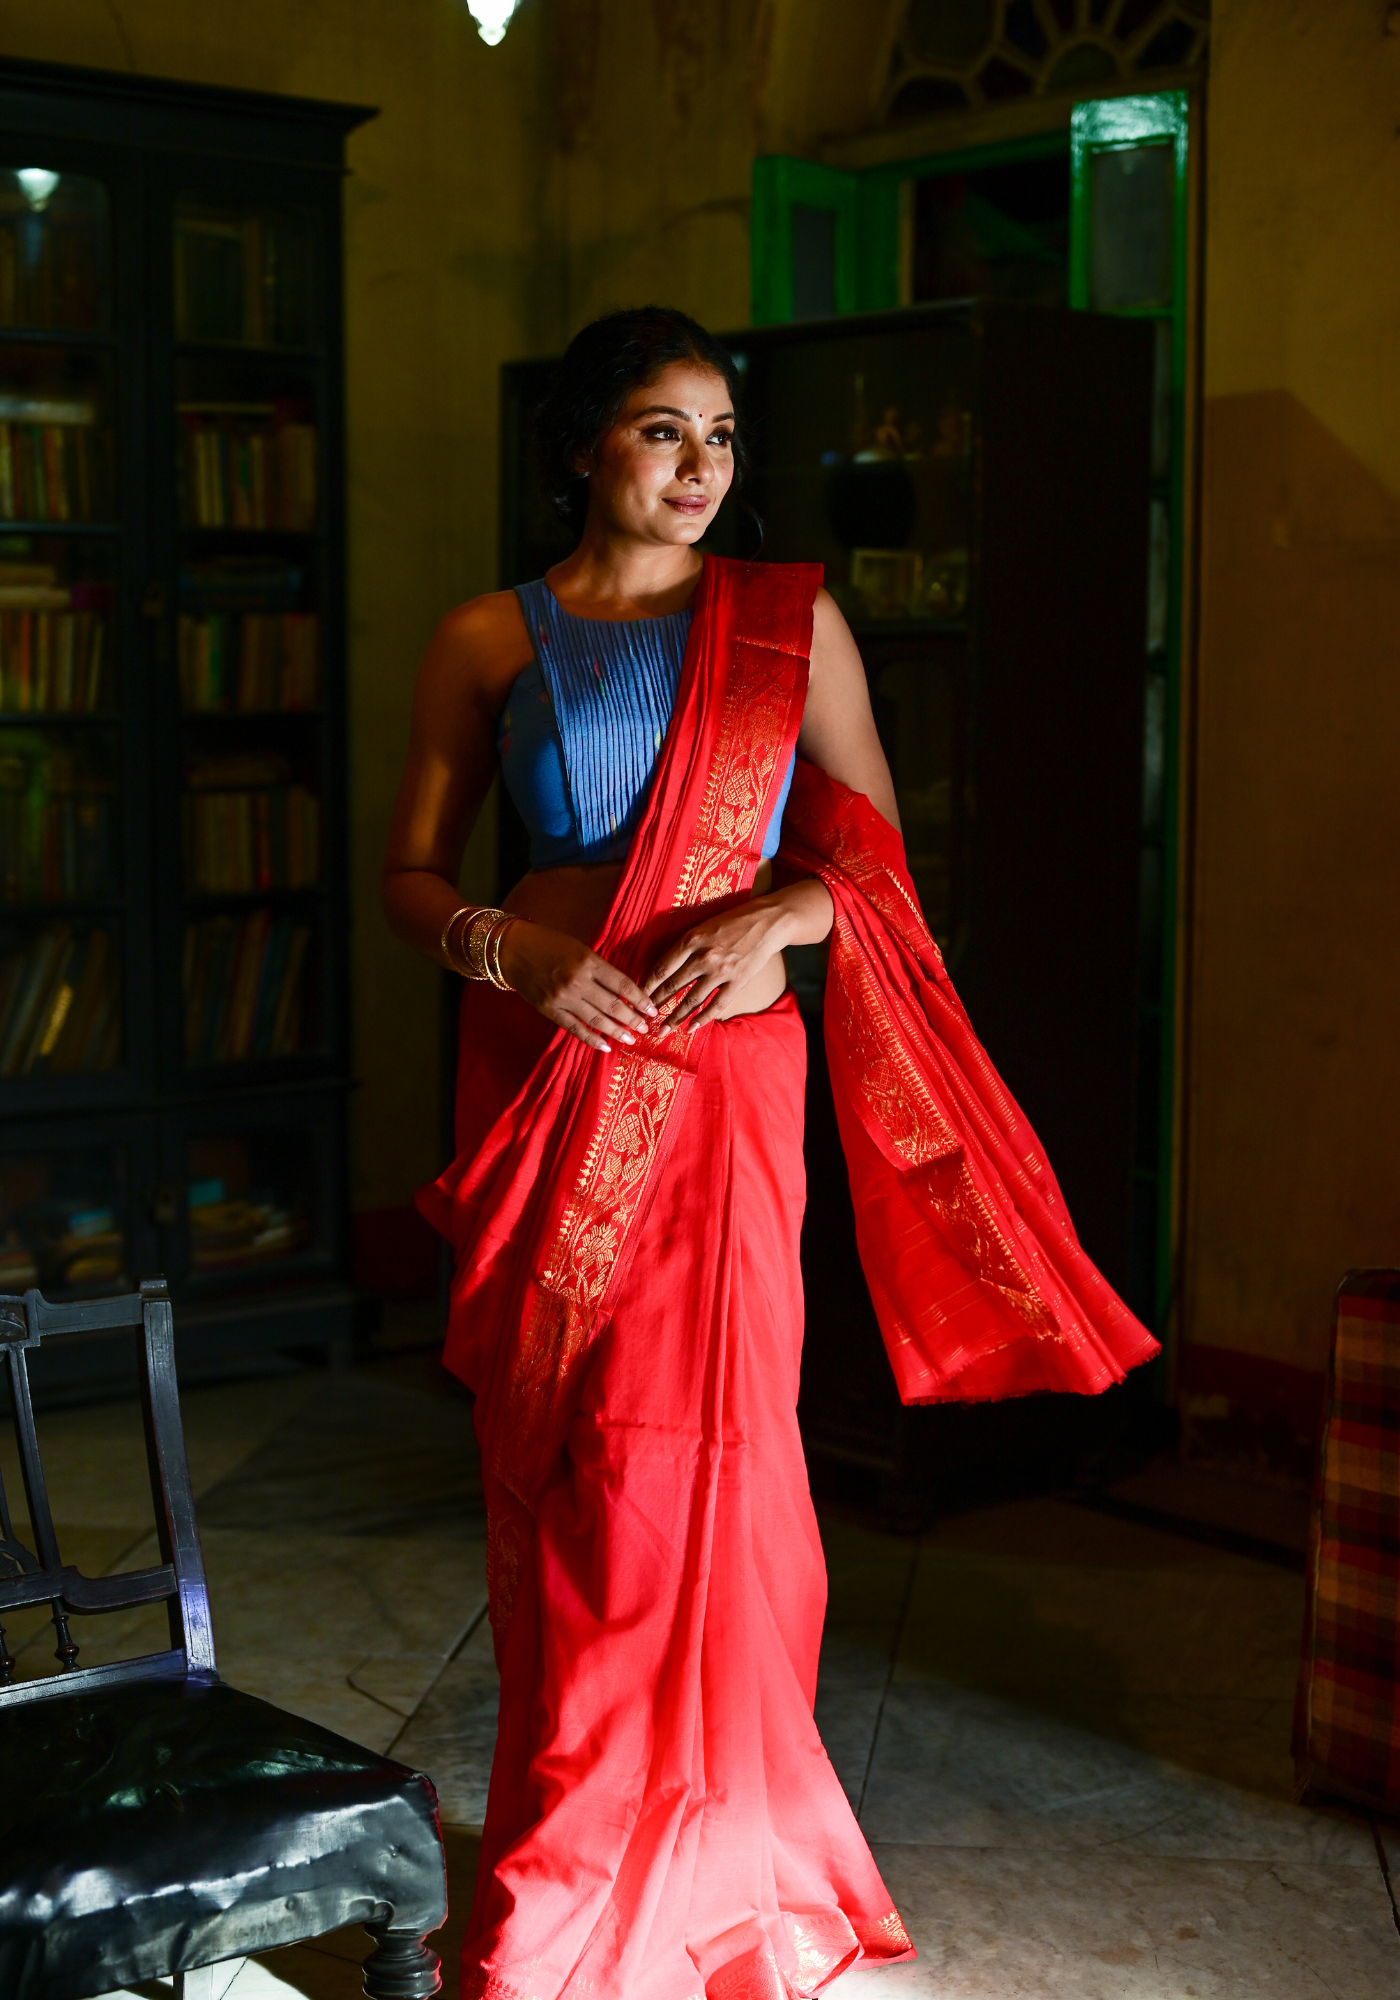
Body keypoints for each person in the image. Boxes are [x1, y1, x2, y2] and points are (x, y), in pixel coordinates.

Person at [383, 306, 1159, 2000]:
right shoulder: (482, 640)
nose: (698, 468)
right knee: (569, 1462)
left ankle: (724, 1854)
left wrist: (784, 918)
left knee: (710, 1458)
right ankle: (570, 1857)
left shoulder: (789, 630)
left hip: (726, 1076)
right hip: (546, 1056)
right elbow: (416, 876)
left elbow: (875, 859)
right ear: (587, 443)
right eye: (664, 431)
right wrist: (510, 955)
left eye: (722, 438)